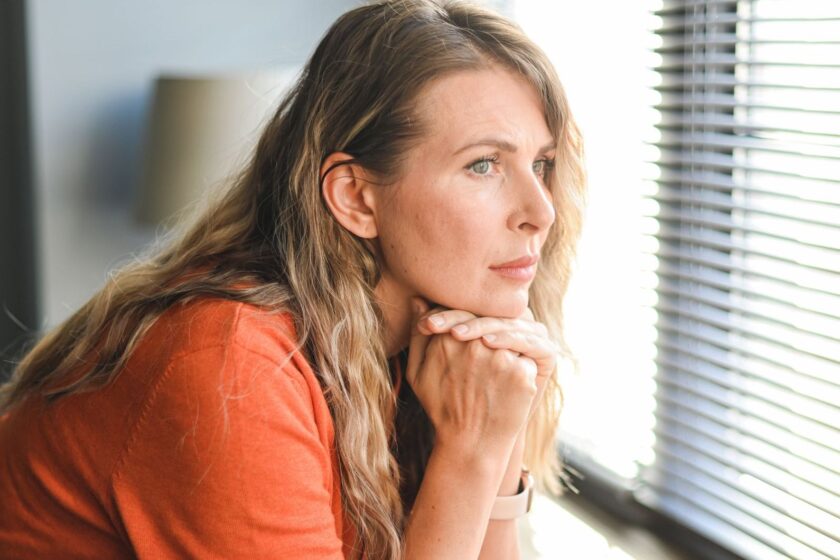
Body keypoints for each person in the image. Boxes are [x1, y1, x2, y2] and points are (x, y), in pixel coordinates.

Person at [0, 0, 586, 558]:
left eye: (541, 164)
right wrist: (471, 454)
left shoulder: (439, 352)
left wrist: (498, 440)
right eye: (483, 165)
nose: (541, 210)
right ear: (356, 198)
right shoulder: (230, 363)